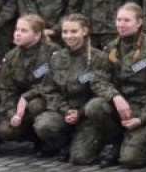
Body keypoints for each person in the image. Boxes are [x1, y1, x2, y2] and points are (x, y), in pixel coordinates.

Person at [83, 3, 146, 169]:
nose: (121, 24)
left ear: (139, 22)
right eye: (119, 20)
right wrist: (116, 97)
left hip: (144, 106)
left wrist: (141, 118)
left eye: (126, 20)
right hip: (119, 106)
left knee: (130, 161)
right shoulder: (111, 47)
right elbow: (98, 80)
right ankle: (114, 140)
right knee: (94, 106)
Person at [31, 14, 110, 164]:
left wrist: (79, 112)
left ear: (85, 31)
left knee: (80, 158)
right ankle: (64, 144)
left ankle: (100, 142)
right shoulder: (57, 58)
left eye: (74, 31)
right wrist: (65, 109)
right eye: (65, 32)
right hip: (65, 112)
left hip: (87, 116)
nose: (69, 36)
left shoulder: (98, 58)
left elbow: (101, 91)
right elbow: (49, 89)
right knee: (44, 125)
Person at [0, 14, 50, 151]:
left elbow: (51, 84)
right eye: (17, 30)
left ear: (37, 35)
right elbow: (6, 90)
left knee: (35, 105)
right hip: (18, 105)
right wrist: (13, 114)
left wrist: (27, 96)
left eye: (24, 31)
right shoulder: (11, 57)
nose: (18, 34)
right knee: (5, 131)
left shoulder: (52, 52)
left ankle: (44, 140)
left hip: (45, 101)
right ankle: (30, 134)